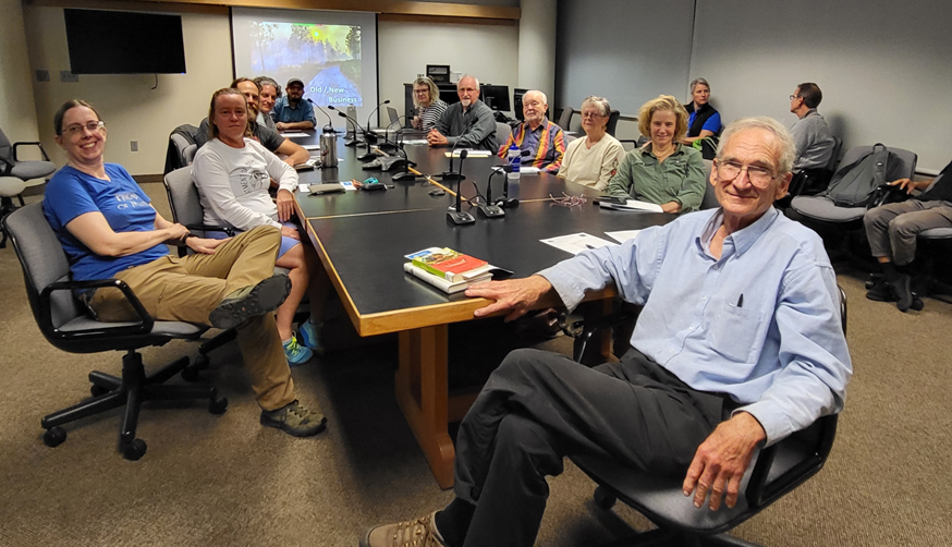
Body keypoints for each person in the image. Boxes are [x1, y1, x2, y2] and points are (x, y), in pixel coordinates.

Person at [360, 117, 851, 547]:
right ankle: (465, 530)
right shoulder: (689, 229)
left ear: (782, 184)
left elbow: (822, 373)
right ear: (714, 170)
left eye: (759, 170)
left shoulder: (798, 254)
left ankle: (452, 523)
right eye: (731, 165)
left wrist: (752, 424)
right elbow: (611, 260)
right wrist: (540, 284)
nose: (741, 181)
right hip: (638, 380)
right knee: (519, 431)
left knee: (524, 367)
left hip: (703, 413)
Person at [43, 99, 326, 437]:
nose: (87, 134)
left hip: (166, 265)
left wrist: (190, 239)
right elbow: (108, 245)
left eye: (92, 125)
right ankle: (279, 405)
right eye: (75, 129)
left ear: (103, 130)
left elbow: (156, 220)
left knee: (265, 233)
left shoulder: (117, 172)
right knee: (251, 305)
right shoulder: (66, 185)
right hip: (118, 285)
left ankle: (241, 295)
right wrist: (168, 235)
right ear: (60, 140)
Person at [192, 88, 331, 366]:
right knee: (305, 257)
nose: (234, 118)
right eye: (226, 112)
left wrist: (285, 190)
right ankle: (282, 334)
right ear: (214, 118)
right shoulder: (209, 156)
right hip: (235, 232)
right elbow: (228, 209)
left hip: (267, 222)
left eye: (239, 112)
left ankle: (313, 323)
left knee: (325, 245)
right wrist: (274, 229)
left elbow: (286, 170)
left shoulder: (252, 146)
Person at [864, 162, 952, 312]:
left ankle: (903, 274)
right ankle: (893, 277)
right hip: (927, 201)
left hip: (948, 209)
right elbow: (940, 182)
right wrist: (916, 184)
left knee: (901, 225)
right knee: (874, 216)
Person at [607, 95, 706, 213]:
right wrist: (633, 207)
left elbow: (693, 194)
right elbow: (615, 186)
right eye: (657, 124)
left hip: (680, 220)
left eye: (668, 124)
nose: (662, 130)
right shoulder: (633, 157)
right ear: (648, 125)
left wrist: (659, 210)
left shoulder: (692, 156)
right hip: (642, 218)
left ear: (676, 127)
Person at [195, 78, 310, 168]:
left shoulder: (257, 128)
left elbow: (302, 152)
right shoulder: (212, 125)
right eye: (245, 96)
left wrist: (286, 164)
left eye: (255, 97)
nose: (251, 101)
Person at [557, 95, 625, 191]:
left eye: (594, 115)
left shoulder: (613, 147)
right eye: (585, 114)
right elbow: (561, 176)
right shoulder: (573, 145)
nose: (588, 118)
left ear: (605, 120)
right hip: (567, 196)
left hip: (593, 197)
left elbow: (605, 185)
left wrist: (581, 198)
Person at [496, 90, 565, 173]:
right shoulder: (517, 131)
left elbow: (562, 162)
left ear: (545, 107)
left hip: (541, 177)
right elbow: (501, 155)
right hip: (515, 174)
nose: (529, 108)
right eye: (526, 105)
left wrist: (540, 174)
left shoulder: (556, 132)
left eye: (534, 104)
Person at [427, 75, 498, 152]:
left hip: (482, 156)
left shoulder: (485, 113)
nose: (465, 94)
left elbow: (474, 138)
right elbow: (439, 128)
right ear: (457, 92)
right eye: (462, 90)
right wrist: (434, 136)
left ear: (477, 92)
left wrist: (447, 140)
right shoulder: (451, 109)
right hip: (455, 154)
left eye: (469, 90)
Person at [789, 83, 835, 172]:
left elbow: (788, 157)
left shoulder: (806, 124)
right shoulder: (817, 122)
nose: (791, 101)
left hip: (796, 175)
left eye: (793, 97)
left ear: (800, 100)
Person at [682, 78, 721, 160]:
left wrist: (678, 140)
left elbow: (702, 139)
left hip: (696, 153)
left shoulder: (713, 115)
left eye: (706, 91)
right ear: (692, 95)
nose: (703, 95)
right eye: (699, 92)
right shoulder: (683, 110)